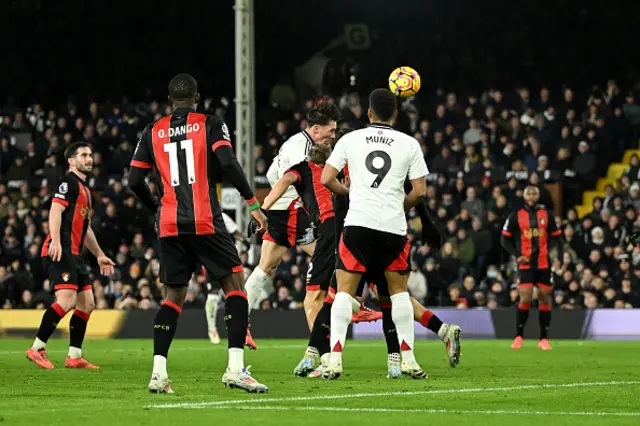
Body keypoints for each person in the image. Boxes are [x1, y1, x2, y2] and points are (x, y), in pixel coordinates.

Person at [128, 73, 268, 394]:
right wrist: (252, 204)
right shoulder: (210, 123)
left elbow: (134, 180)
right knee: (235, 286)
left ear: (169, 101)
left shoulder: (152, 131)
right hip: (205, 218)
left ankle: (158, 375)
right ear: (197, 98)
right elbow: (229, 163)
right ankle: (235, 369)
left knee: (173, 297)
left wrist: (156, 208)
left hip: (170, 223)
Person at [320, 88, 429, 380]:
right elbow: (420, 191)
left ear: (369, 112)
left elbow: (326, 178)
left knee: (344, 291)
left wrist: (350, 192)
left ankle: (335, 360)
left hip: (358, 224)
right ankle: (408, 359)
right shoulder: (409, 144)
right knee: (398, 293)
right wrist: (401, 204)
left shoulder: (350, 139)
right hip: (393, 227)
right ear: (395, 114)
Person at [244, 101, 341, 349]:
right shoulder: (302, 150)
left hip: (281, 209)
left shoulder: (305, 143)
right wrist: (262, 209)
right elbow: (297, 184)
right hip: (290, 209)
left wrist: (263, 210)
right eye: (331, 131)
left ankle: (239, 319)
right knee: (332, 255)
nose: (333, 136)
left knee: (267, 266)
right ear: (316, 129)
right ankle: (345, 312)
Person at [26, 142, 116, 370]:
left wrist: (99, 255)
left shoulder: (85, 189)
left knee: (87, 303)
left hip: (75, 254)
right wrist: (55, 240)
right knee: (67, 300)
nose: (89, 158)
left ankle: (74, 356)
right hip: (61, 249)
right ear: (71, 161)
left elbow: (86, 230)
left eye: (90, 155)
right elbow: (55, 209)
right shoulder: (69, 183)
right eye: (83, 155)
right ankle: (36, 348)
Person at [501, 186, 562, 350]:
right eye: (529, 193)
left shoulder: (547, 215)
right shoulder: (516, 216)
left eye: (535, 193)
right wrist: (516, 255)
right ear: (524, 195)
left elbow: (556, 237)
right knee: (526, 297)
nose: (532, 196)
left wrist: (549, 250)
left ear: (539, 195)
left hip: (543, 263)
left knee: (543, 297)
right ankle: (519, 336)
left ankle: (543, 338)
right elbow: (504, 239)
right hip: (525, 264)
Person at [205, 212, 245, 345]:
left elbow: (235, 232)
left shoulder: (220, 216)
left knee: (234, 292)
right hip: (214, 259)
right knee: (215, 295)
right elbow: (237, 233)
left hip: (225, 258)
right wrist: (244, 241)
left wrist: (243, 241)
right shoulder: (213, 216)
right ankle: (212, 329)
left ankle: (238, 328)